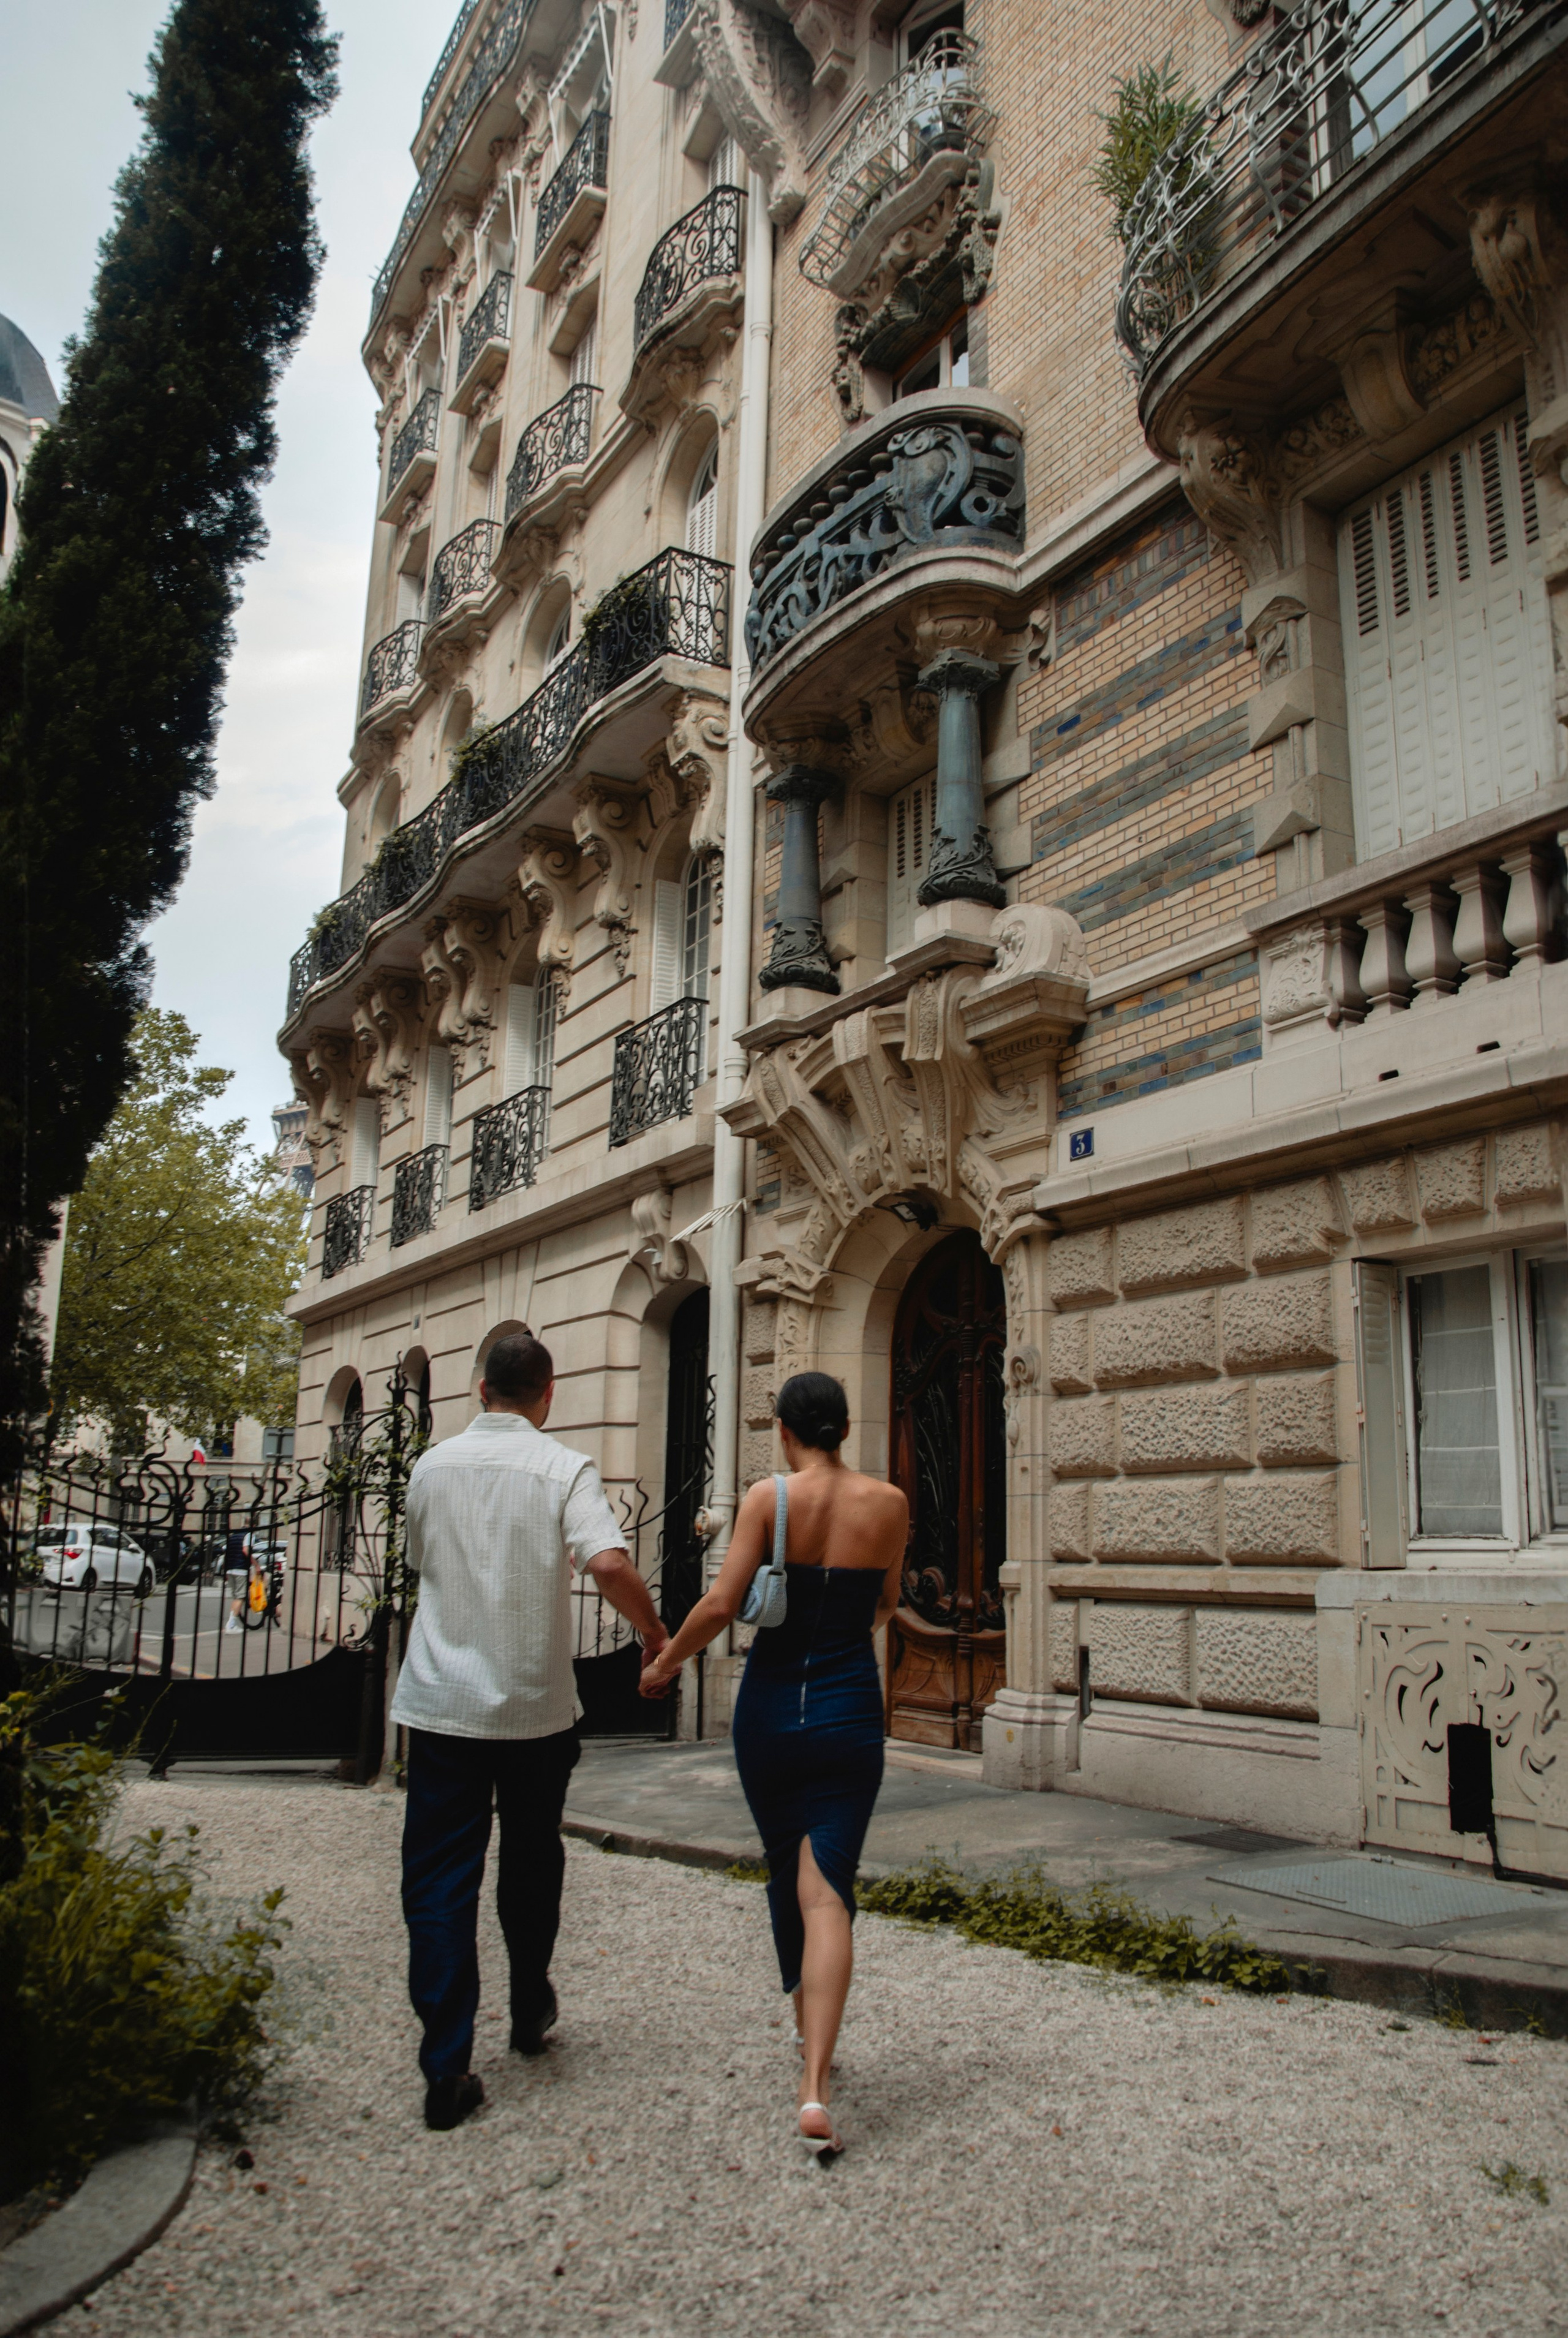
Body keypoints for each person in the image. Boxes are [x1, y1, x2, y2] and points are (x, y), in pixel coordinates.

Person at [391, 1330, 669, 2132]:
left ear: (481, 1390)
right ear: (547, 1395)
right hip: (534, 1710)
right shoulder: (562, 1467)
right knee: (532, 1859)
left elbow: (421, 1562)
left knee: (439, 1881)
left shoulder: (430, 1466)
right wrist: (653, 1633)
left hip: (442, 1707)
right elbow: (609, 1563)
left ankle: (446, 2065)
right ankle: (527, 2001)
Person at [639, 1371, 906, 2159]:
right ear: (844, 1428)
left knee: (785, 1861)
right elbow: (886, 1604)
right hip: (851, 1703)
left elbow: (723, 1603)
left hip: (770, 1709)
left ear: (786, 1431)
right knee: (828, 1890)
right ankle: (815, 2083)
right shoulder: (888, 1504)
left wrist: (665, 1664)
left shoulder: (768, 1497)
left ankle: (804, 2031)